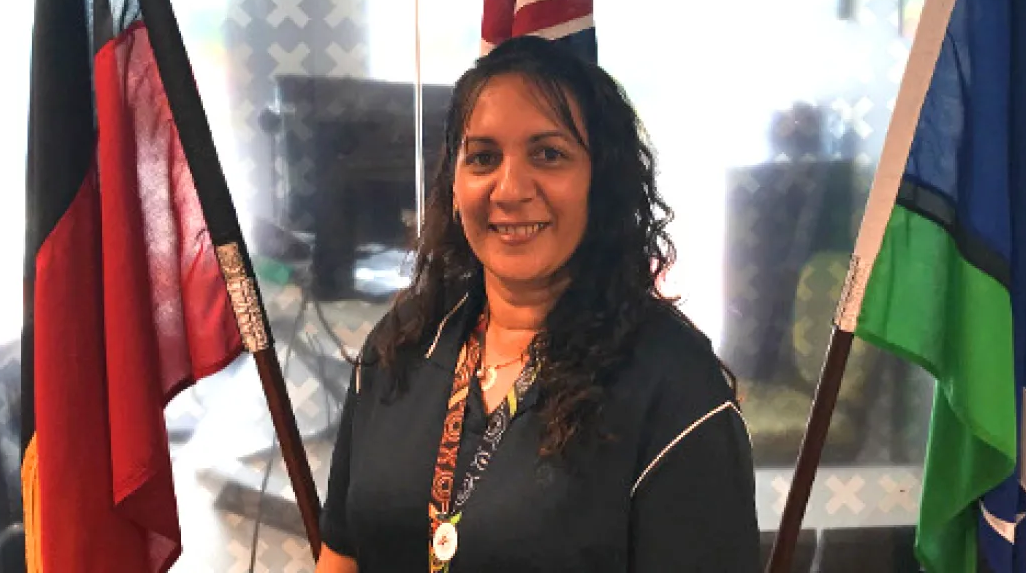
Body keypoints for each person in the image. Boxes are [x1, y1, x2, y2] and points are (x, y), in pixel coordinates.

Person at [315, 35, 759, 573]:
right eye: (483, 157)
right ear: (453, 182)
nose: (509, 188)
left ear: (602, 182)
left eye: (548, 154)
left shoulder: (675, 385)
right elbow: (342, 556)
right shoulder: (403, 341)